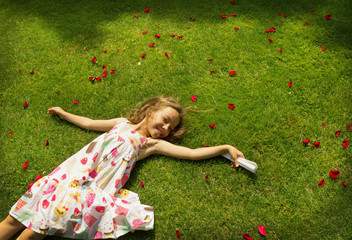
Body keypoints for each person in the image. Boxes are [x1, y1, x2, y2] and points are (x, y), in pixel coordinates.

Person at [0, 96, 244, 240]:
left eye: (171, 128)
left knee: (33, 233)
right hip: (64, 177)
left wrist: (224, 147)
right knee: (12, 221)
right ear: (150, 112)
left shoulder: (150, 145)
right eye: (165, 120)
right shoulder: (120, 124)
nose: (166, 129)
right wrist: (64, 114)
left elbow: (191, 154)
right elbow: (88, 123)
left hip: (83, 192)